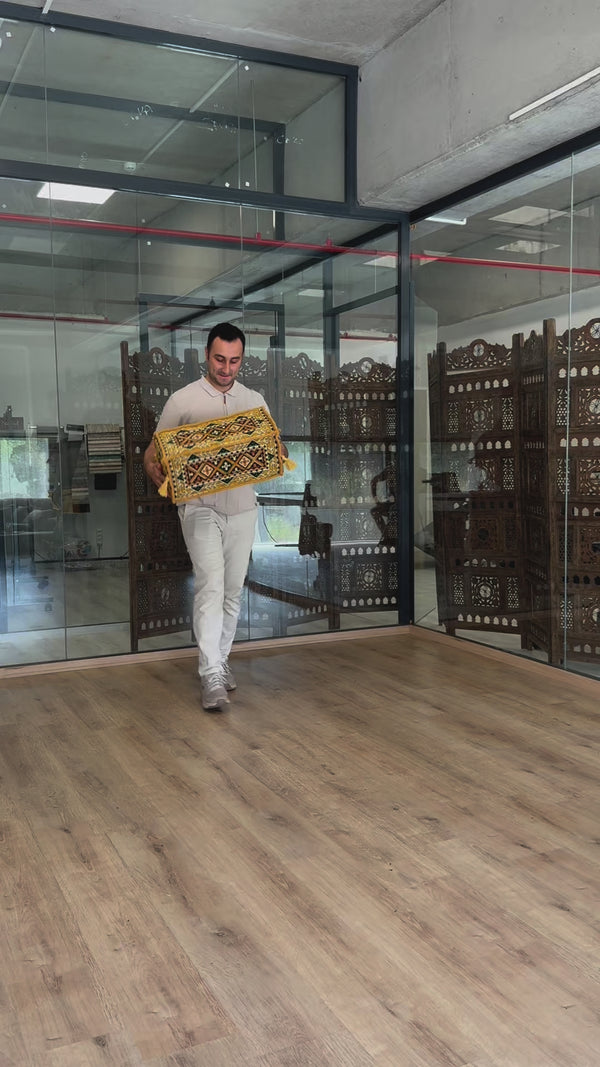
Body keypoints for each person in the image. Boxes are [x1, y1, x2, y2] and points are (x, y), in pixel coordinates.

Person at [143, 322, 286, 712]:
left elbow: (276, 447)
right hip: (199, 507)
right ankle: (210, 675)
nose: (226, 368)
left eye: (234, 361)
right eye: (220, 359)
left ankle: (219, 662)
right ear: (207, 355)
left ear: (242, 359)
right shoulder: (182, 400)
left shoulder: (254, 400)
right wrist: (155, 469)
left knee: (233, 590)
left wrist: (276, 450)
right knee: (210, 586)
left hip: (243, 508)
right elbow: (153, 452)